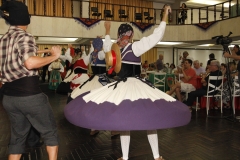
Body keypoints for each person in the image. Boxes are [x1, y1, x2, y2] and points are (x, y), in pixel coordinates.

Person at [64, 5, 191, 160]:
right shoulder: (133, 47)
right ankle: (154, 156)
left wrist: (107, 30)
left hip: (125, 87)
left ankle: (131, 157)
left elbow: (106, 47)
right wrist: (164, 15)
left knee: (126, 122)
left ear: (120, 35)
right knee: (148, 120)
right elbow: (156, 36)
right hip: (134, 86)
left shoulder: (116, 49)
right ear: (130, 36)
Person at [0, 1, 60, 160]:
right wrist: (54, 56)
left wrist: (41, 50)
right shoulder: (25, 36)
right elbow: (30, 62)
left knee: (18, 138)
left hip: (9, 98)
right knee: (50, 132)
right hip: (29, 96)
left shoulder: (4, 39)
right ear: (26, 18)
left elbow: (19, 56)